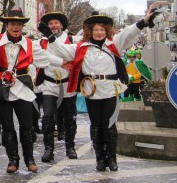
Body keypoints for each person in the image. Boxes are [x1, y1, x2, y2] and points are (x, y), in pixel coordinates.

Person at [42, 10, 156, 172]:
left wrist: (144, 21)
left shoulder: (113, 44)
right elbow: (61, 50)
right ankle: (100, 159)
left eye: (102, 29)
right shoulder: (81, 47)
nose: (99, 32)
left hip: (110, 89)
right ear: (90, 31)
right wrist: (50, 37)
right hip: (92, 90)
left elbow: (128, 32)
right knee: (95, 125)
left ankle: (111, 158)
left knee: (108, 125)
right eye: (95, 30)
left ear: (106, 31)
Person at [0, 9, 69, 173]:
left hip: (22, 89)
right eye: (13, 24)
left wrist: (61, 62)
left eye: (19, 24)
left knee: (27, 126)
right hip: (2, 89)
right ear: (7, 25)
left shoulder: (30, 44)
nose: (16, 27)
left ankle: (29, 159)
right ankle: (13, 160)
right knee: (8, 128)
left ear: (23, 26)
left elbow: (45, 57)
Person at [36, 12, 78, 161]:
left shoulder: (71, 40)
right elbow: (38, 58)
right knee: (47, 117)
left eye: (56, 23)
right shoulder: (41, 42)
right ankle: (48, 149)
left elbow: (72, 56)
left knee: (69, 118)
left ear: (61, 25)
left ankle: (70, 147)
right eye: (51, 24)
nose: (53, 26)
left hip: (67, 85)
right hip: (49, 84)